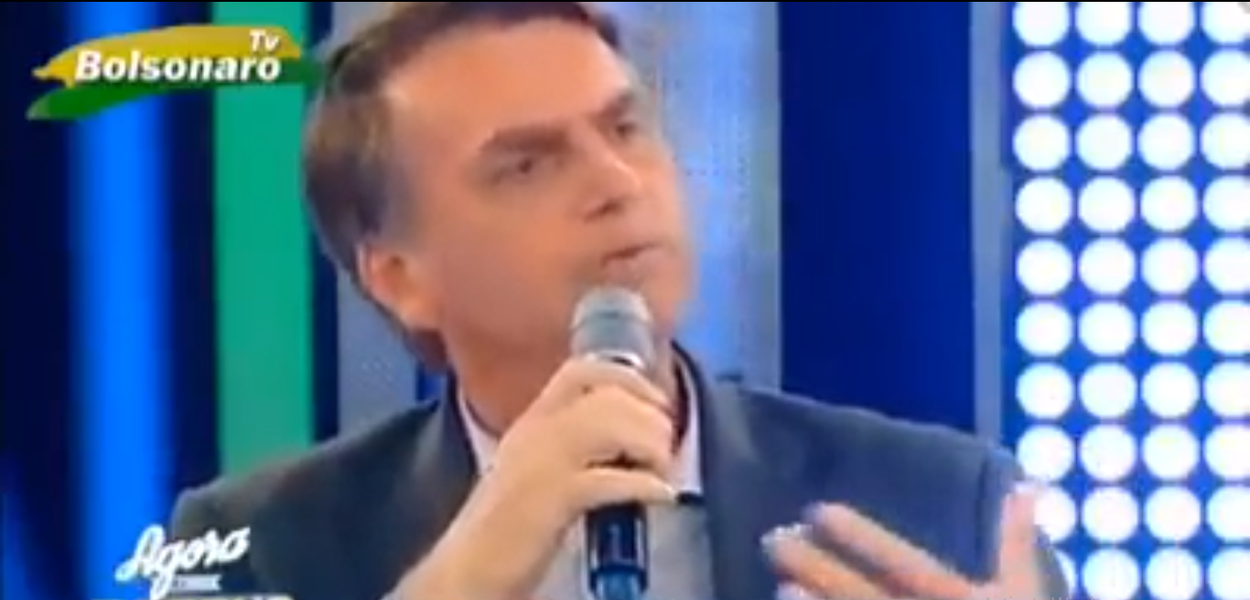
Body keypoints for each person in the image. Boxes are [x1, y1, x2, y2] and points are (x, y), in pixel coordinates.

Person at [169, 3, 1069, 600]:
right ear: (399, 277)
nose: (615, 182)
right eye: (527, 165)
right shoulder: (254, 546)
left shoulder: (943, 505)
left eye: (624, 127)